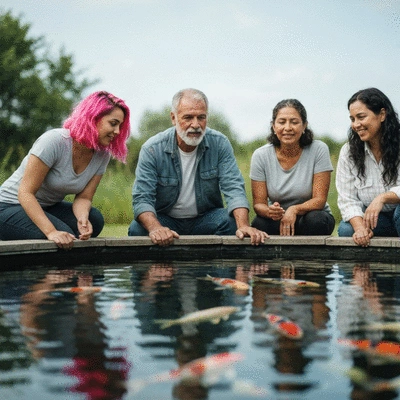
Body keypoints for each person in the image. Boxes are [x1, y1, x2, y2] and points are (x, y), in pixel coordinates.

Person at [128, 88, 268, 246]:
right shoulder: (152, 149)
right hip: (166, 219)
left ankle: (213, 267)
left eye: (201, 117)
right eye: (188, 117)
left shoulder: (219, 143)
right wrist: (156, 228)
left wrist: (243, 225)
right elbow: (142, 198)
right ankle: (158, 268)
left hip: (205, 218)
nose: (195, 125)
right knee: (137, 230)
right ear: (173, 118)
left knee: (231, 223)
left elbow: (234, 188)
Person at [0, 91, 131, 249]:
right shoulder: (54, 141)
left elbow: (84, 198)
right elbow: (25, 193)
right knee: (62, 233)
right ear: (94, 117)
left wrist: (82, 219)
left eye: (120, 126)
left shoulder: (102, 154)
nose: (117, 131)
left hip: (47, 206)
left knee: (94, 220)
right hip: (9, 205)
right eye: (113, 123)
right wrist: (51, 232)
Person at [250, 99, 335, 236]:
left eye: (294, 122)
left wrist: (294, 210)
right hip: (279, 219)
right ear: (273, 126)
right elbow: (259, 204)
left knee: (316, 221)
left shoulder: (319, 149)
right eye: (282, 122)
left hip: (311, 216)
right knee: (259, 224)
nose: (288, 128)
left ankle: (310, 257)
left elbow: (319, 200)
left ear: (304, 126)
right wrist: (270, 211)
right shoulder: (260, 155)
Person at [336, 87, 400, 247]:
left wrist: (383, 198)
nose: (356, 125)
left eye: (361, 117)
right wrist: (360, 228)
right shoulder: (348, 151)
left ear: (382, 115)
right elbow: (347, 198)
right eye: (352, 119)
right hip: (378, 221)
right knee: (346, 230)